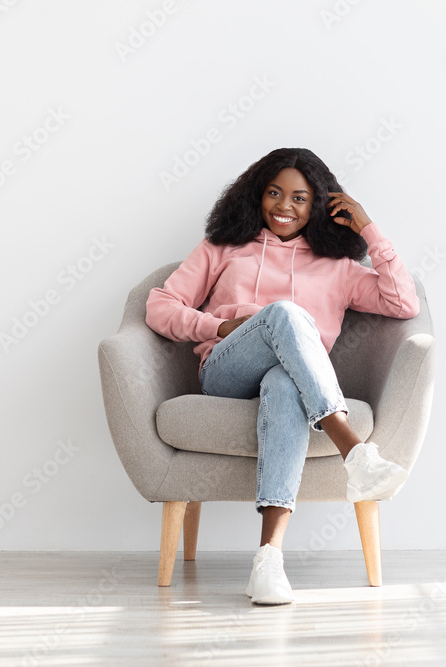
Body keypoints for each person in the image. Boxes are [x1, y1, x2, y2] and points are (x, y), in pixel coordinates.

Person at [145, 147, 419, 604]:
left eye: (299, 198)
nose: (284, 207)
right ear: (257, 195)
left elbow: (402, 304)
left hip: (292, 381)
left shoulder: (338, 268)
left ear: (319, 206)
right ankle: (354, 451)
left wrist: (369, 230)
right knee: (286, 315)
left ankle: (268, 560)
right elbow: (160, 306)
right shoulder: (224, 248)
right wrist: (218, 327)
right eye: (274, 193)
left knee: (283, 382)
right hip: (226, 374)